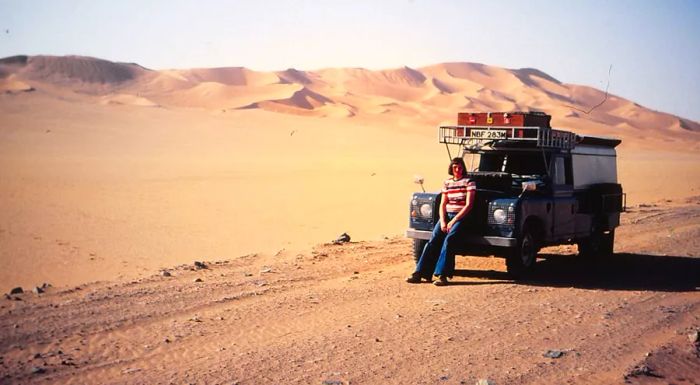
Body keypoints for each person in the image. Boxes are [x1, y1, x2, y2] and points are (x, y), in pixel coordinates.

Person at [406, 157, 476, 286]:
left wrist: (453, 220)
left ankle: (442, 275)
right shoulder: (447, 183)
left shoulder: (469, 182)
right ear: (451, 168)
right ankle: (420, 273)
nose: (458, 170)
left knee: (449, 240)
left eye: (460, 167)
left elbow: (469, 205)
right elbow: (443, 203)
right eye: (455, 167)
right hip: (446, 216)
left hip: (461, 217)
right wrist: (443, 221)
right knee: (433, 239)